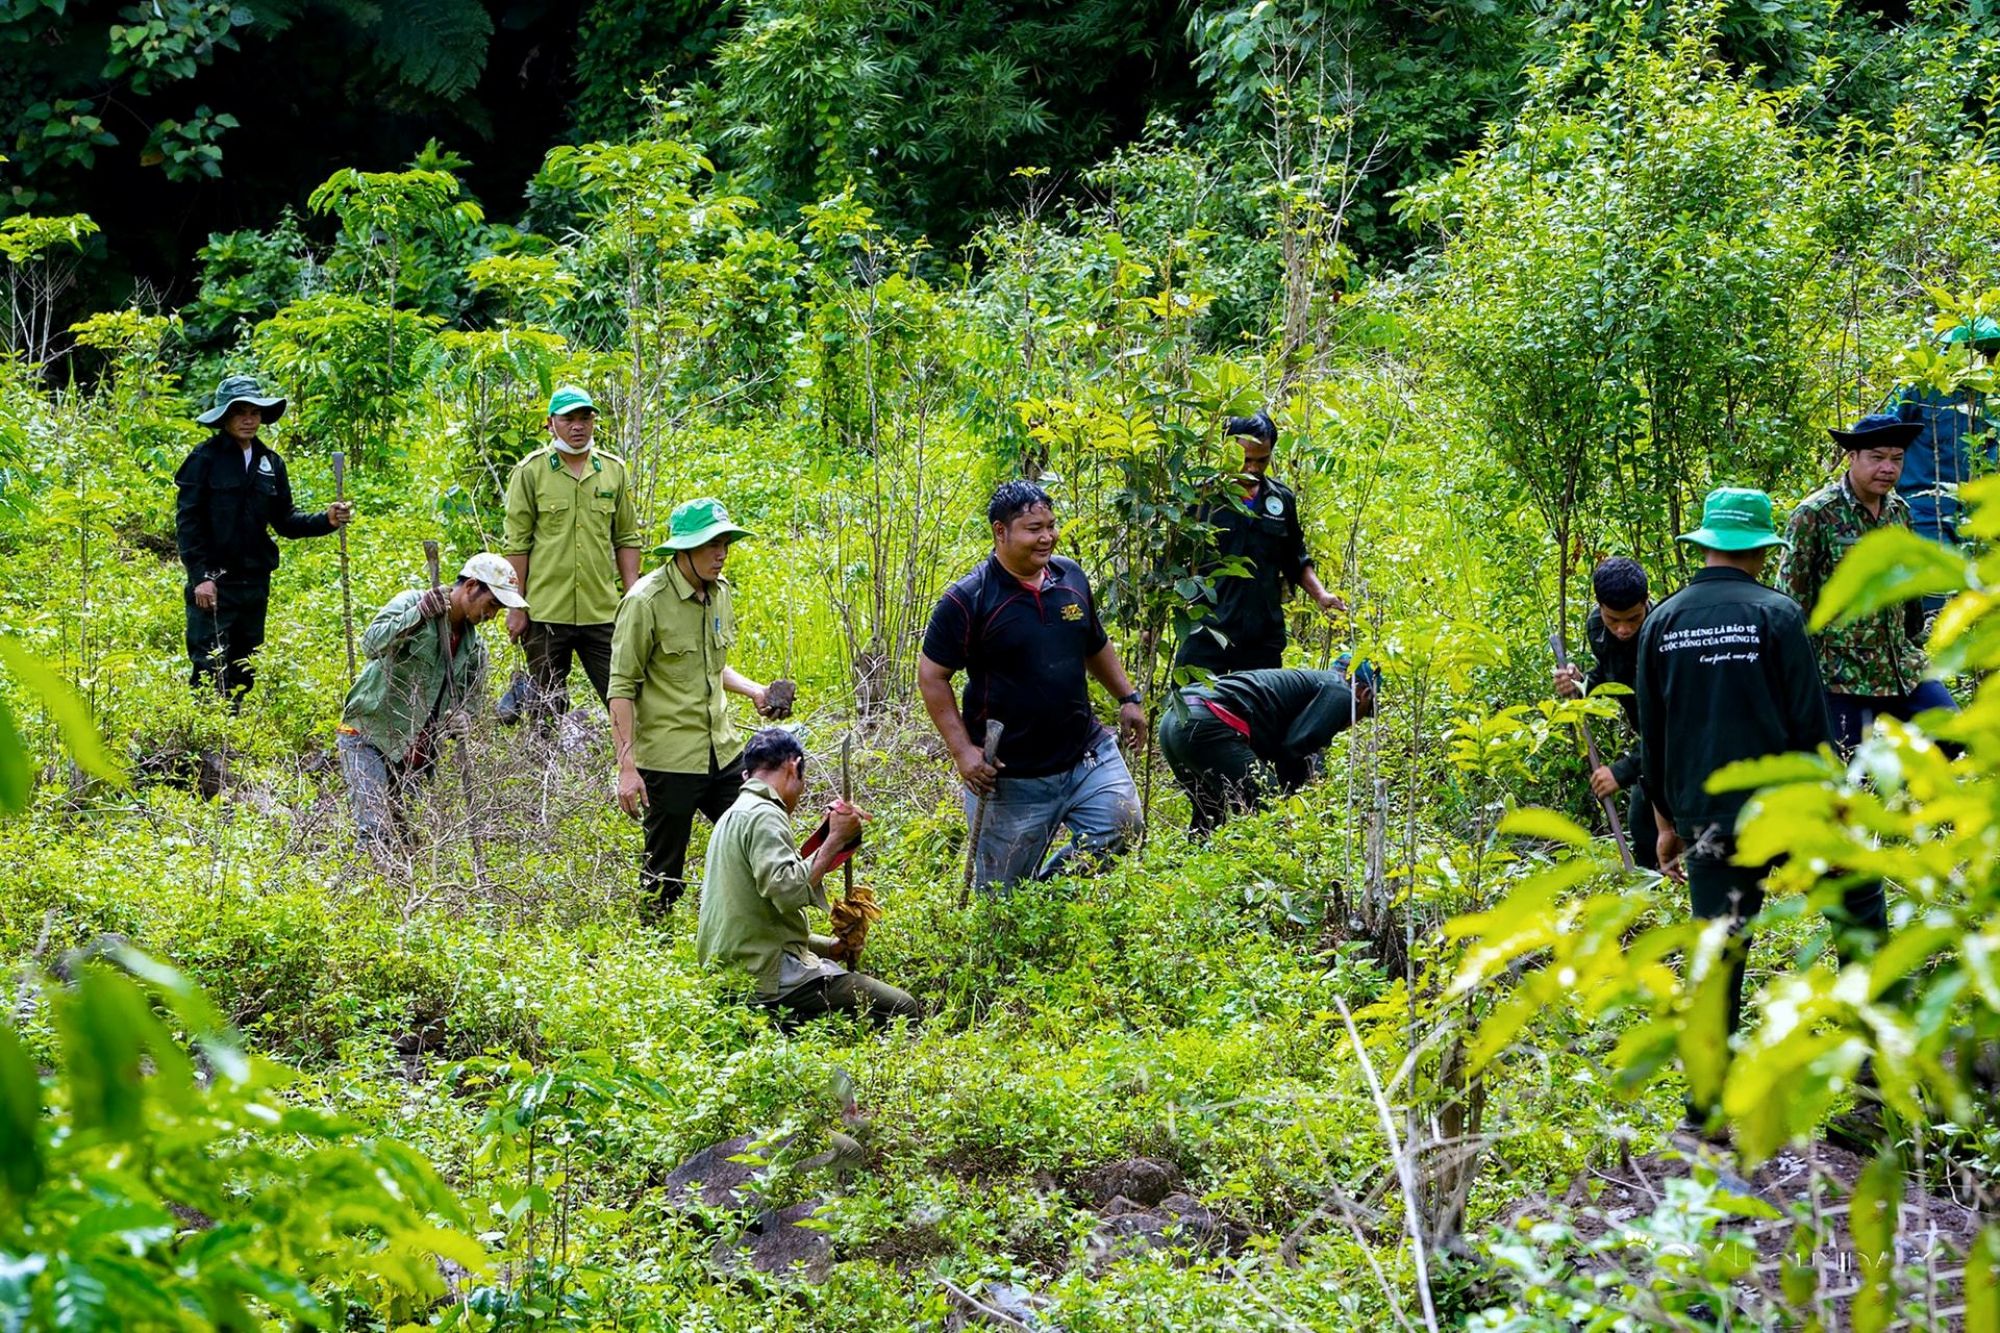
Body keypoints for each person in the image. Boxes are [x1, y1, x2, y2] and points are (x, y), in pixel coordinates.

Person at [1636, 488, 1884, 1124]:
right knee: (1858, 900)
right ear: (1762, 549)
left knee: (1719, 946)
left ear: (1707, 543)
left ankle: (1704, 1108)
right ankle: (1872, 1077)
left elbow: (1653, 734)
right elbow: (1809, 723)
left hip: (1706, 818)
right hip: (1787, 809)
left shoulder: (1661, 621)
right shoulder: (1777, 614)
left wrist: (1667, 825)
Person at [917, 481, 1147, 892]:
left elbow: (1094, 643)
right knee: (1001, 900)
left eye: (1051, 526)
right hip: (1011, 776)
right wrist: (962, 751)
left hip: (1085, 755)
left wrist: (1127, 698)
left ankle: (1048, 899)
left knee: (1122, 825)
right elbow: (932, 675)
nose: (1047, 537)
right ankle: (1028, 911)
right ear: (1000, 532)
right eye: (1033, 528)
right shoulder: (968, 599)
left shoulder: (1070, 577)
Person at [609, 497, 785, 920]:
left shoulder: (719, 593)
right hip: (669, 759)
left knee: (754, 834)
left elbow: (712, 667)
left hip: (722, 751)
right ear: (683, 549)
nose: (720, 553)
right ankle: (655, 947)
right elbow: (621, 687)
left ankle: (750, 930)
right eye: (710, 544)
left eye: (725, 542)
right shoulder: (645, 601)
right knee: (663, 874)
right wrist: (627, 767)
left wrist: (756, 691)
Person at [696, 728, 922, 1028]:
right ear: (793, 766)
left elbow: (759, 922)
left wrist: (831, 948)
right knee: (902, 1007)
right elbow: (786, 891)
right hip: (763, 981)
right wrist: (835, 841)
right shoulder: (765, 814)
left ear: (745, 775)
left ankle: (782, 1024)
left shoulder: (731, 816)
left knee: (830, 1013)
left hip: (731, 977)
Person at [1777, 413, 1958, 755]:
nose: (1888, 468)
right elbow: (1791, 602)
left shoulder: (1899, 513)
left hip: (1899, 666)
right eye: (1877, 458)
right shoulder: (1815, 514)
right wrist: (1796, 676)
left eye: (1897, 459)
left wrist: (1918, 641)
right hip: (1840, 674)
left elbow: (1908, 594)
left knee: (1951, 737)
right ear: (1852, 458)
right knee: (1846, 775)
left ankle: (1907, 801)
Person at [174, 374, 353, 703]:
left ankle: (232, 736)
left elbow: (285, 520)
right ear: (224, 417)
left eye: (254, 412)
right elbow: (188, 523)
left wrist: (326, 520)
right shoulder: (204, 460)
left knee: (244, 664)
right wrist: (200, 576)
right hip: (215, 582)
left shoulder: (270, 463)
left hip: (254, 581)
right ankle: (204, 742)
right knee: (208, 664)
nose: (248, 419)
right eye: (239, 412)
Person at [336, 553, 524, 861]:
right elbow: (371, 644)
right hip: (367, 734)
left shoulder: (475, 650)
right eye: (491, 604)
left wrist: (463, 718)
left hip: (417, 756)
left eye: (499, 609)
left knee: (406, 843)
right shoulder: (413, 601)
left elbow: (469, 704)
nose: (492, 614)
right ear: (472, 586)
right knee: (374, 832)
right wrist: (419, 614)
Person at [501, 385, 642, 723]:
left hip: (602, 611)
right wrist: (515, 606)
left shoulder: (613, 471)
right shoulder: (531, 472)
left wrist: (633, 597)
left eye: (585, 418)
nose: (578, 426)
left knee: (623, 696)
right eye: (568, 419)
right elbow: (517, 544)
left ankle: (632, 767)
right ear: (551, 424)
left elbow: (626, 537)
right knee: (544, 707)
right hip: (547, 610)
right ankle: (542, 772)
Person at [1174, 410, 1343, 675]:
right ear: (1228, 450)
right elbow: (1172, 561)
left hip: (1261, 637)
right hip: (1206, 631)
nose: (1252, 468)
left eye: (1262, 461)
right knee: (1193, 708)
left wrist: (1321, 595)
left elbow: (1295, 559)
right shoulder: (1200, 499)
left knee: (1258, 713)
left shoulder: (1281, 500)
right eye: (1245, 460)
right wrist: (1152, 625)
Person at [1158, 658, 1378, 835]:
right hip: (1207, 722)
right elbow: (1295, 750)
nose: (1355, 723)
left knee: (1210, 814)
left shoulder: (1313, 684)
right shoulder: (1341, 692)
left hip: (1174, 719)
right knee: (1272, 812)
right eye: (1366, 714)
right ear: (1365, 694)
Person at [1552, 557, 1660, 870]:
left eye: (1633, 619)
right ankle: (1650, 898)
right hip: (1650, 741)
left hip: (1679, 743)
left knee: (1652, 813)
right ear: (1600, 607)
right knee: (1643, 824)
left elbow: (1674, 722)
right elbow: (1612, 676)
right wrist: (1581, 684)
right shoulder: (1597, 628)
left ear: (1646, 603)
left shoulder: (1663, 631)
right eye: (1614, 620)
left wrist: (1623, 770)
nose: (1623, 629)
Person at [1888, 317, 1997, 552]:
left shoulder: (1990, 396)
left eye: (1992, 355)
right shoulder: (1920, 387)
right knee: (1937, 583)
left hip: (1974, 514)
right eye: (1981, 353)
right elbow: (1885, 434)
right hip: (1924, 508)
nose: (1987, 361)